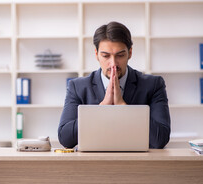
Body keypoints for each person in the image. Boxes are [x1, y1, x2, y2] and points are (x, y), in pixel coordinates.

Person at [58, 21, 171, 149]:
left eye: (120, 55)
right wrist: (101, 109)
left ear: (130, 53)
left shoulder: (153, 85)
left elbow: (160, 139)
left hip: (138, 165)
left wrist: (123, 107)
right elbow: (65, 138)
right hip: (92, 164)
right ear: (96, 55)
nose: (113, 64)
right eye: (106, 56)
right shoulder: (77, 87)